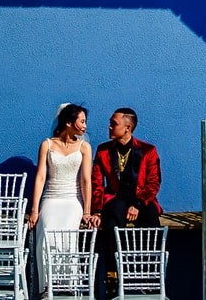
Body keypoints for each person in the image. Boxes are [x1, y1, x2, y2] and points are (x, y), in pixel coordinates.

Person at [89, 108, 161, 290]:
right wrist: (97, 210)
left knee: (152, 220)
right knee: (110, 220)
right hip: (116, 197)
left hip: (141, 199)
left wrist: (138, 204)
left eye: (114, 124)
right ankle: (113, 275)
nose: (109, 127)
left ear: (127, 128)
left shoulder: (148, 150)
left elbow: (153, 183)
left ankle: (150, 275)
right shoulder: (103, 150)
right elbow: (96, 183)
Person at [28, 103, 94, 297]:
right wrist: (34, 210)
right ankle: (47, 286)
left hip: (72, 199)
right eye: (82, 121)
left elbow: (86, 180)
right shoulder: (47, 145)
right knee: (46, 230)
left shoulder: (84, 147)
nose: (85, 126)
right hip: (51, 197)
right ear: (68, 122)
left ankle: (68, 286)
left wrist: (87, 210)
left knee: (68, 232)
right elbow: (41, 177)